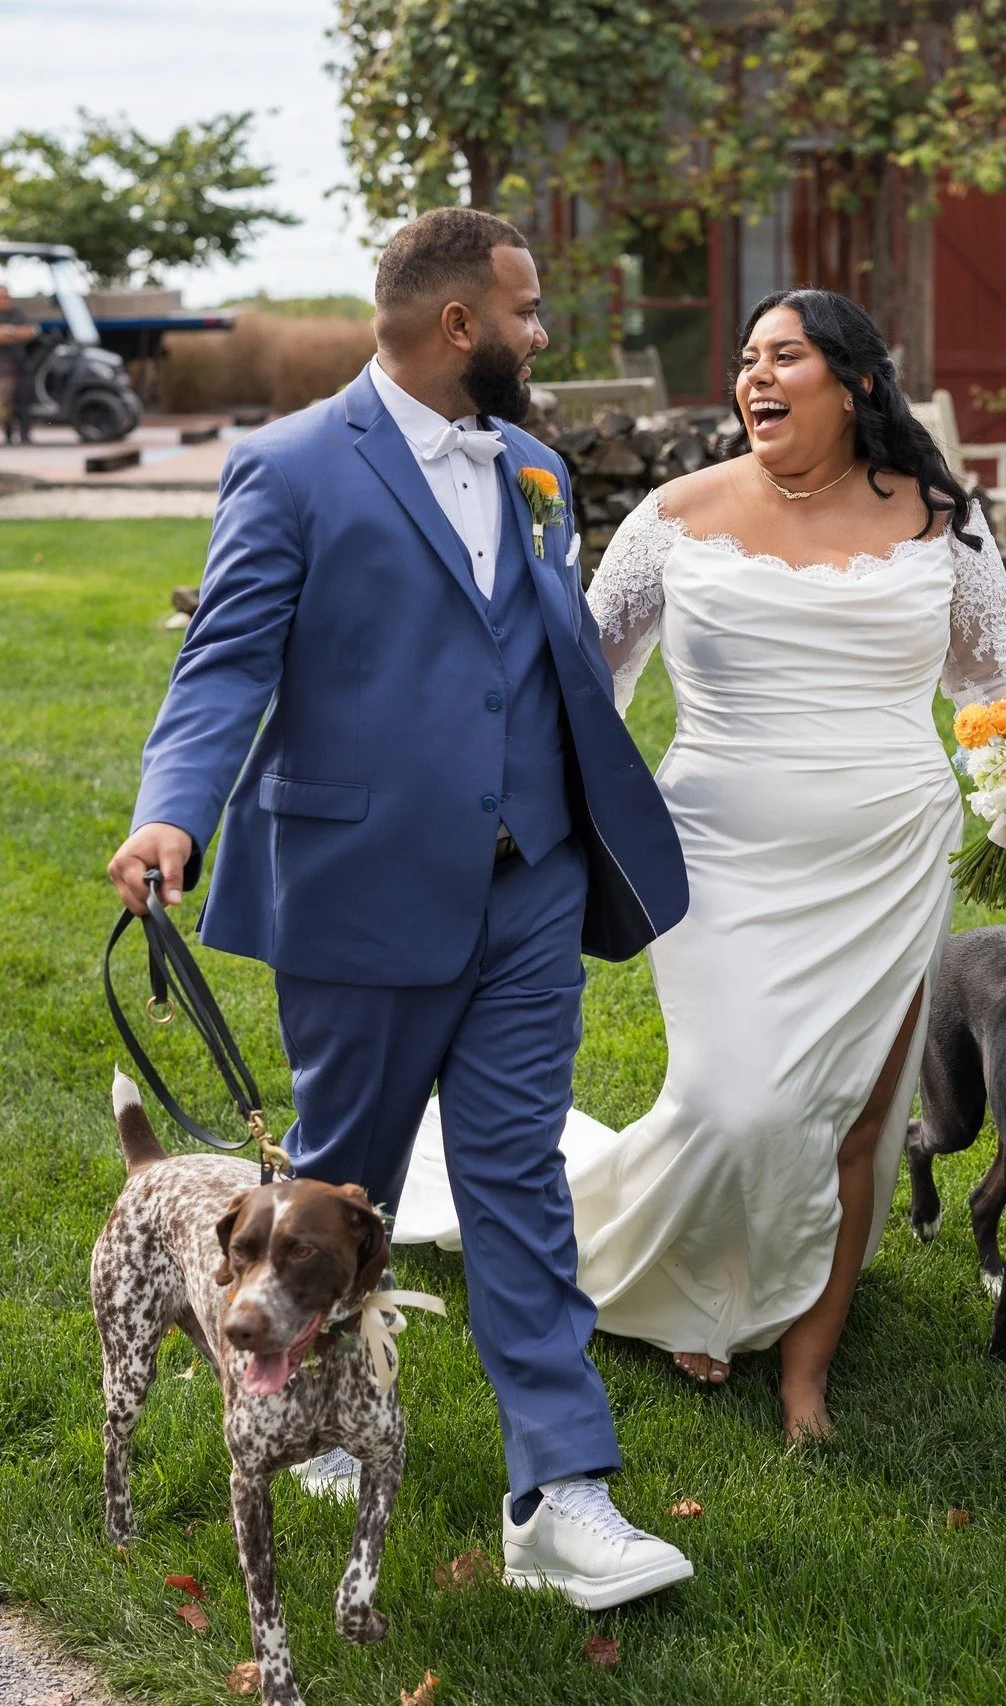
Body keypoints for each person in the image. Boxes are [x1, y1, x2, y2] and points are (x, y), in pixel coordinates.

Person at [106, 208, 696, 1610]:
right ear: (457, 323)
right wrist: (174, 806)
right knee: (339, 1174)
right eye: (526, 311)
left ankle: (561, 1493)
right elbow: (227, 658)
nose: (540, 334)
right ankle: (307, 1394)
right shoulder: (292, 465)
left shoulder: (538, 469)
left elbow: (540, 655)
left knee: (517, 1182)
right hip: (360, 886)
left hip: (531, 883)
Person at [395, 288, 1006, 1442]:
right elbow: (579, 680)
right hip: (717, 854)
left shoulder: (944, 518)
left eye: (785, 355)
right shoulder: (676, 516)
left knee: (850, 1120)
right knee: (732, 1105)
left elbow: (998, 692)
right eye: (747, 358)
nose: (755, 376)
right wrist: (496, 800)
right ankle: (683, 1270)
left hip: (889, 856)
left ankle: (805, 1369)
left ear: (858, 380)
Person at [0, 283, 37, 445]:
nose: (4, 300)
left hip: (19, 365)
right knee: (5, 402)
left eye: (6, 297)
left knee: (24, 399)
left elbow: (30, 332)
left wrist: (8, 331)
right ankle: (8, 434)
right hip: (2, 369)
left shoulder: (17, 313)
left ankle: (25, 435)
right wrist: (14, 332)